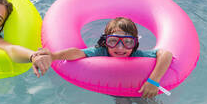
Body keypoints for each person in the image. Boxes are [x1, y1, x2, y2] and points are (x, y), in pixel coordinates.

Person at [35, 17, 173, 98]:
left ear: (135, 43)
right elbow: (77, 52)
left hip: (140, 88)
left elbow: (166, 54)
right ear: (105, 42)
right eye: (113, 41)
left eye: (127, 42)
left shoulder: (137, 55)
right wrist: (54, 56)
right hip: (116, 92)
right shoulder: (101, 52)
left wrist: (154, 80)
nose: (120, 48)